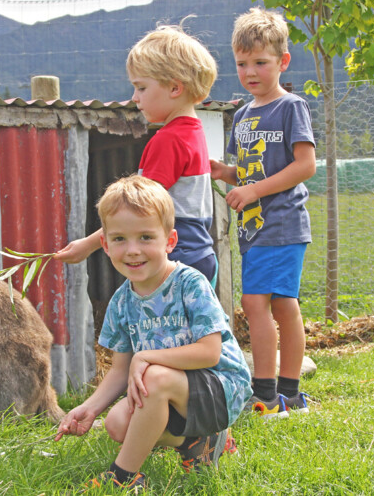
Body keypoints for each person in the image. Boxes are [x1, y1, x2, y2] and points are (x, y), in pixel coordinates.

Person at [55, 175, 252, 491]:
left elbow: (209, 352)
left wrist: (146, 357)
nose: (132, 250)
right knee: (118, 424)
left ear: (169, 241)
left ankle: (122, 478)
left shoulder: (189, 284)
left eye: (146, 237)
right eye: (119, 239)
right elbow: (120, 372)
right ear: (104, 244)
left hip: (221, 387)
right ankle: (198, 442)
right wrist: (89, 408)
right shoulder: (122, 301)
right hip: (175, 390)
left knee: (154, 377)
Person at [209, 7, 318, 419]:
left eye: (260, 62)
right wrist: (226, 172)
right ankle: (291, 394)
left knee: (256, 303)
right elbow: (252, 168)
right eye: (241, 63)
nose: (250, 71)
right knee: (283, 306)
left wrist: (252, 190)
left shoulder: (291, 107)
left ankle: (267, 395)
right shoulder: (241, 115)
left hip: (283, 222)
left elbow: (304, 166)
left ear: (282, 62)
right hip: (253, 229)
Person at [55, 23, 219, 284]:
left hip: (175, 260)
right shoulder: (194, 132)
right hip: (201, 254)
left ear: (174, 88)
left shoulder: (168, 139)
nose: (134, 97)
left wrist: (88, 245)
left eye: (141, 88)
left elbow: (138, 209)